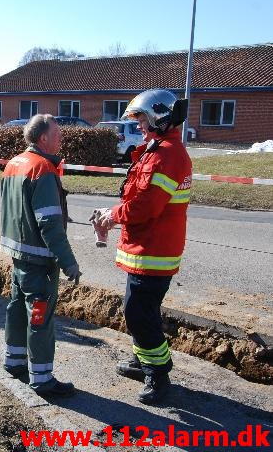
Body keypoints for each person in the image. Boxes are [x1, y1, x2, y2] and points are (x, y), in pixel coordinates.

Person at [93, 89, 192, 405]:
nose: (138, 128)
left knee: (139, 313)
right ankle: (143, 360)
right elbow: (138, 198)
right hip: (147, 249)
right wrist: (115, 212)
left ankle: (158, 374)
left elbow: (145, 207)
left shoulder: (167, 156)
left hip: (154, 252)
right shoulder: (159, 150)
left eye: (142, 121)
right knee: (138, 310)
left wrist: (111, 216)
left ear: (159, 118)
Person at [0, 114, 80, 397]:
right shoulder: (43, 169)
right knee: (40, 317)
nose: (61, 137)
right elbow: (49, 224)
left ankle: (14, 360)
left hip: (18, 255)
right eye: (57, 132)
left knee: (17, 308)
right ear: (43, 138)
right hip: (39, 260)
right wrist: (68, 262)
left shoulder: (13, 165)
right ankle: (42, 378)